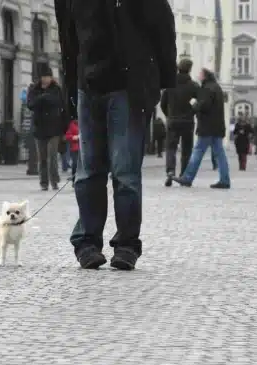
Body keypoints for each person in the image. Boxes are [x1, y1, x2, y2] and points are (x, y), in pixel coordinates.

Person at [55, 0, 177, 270]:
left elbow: (163, 26)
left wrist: (164, 81)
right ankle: (86, 243)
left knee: (125, 171)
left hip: (128, 86)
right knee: (88, 172)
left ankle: (126, 246)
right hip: (87, 86)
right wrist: (70, 91)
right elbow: (68, 40)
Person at [172, 69, 230, 189]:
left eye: (200, 74)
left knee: (197, 151)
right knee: (220, 154)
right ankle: (225, 180)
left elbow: (204, 106)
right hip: (218, 126)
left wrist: (193, 105)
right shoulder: (217, 87)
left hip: (207, 126)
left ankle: (187, 178)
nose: (198, 76)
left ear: (204, 76)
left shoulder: (207, 89)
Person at [26, 62, 67, 191]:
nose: (45, 79)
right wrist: (43, 98)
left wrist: (64, 128)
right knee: (42, 158)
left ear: (51, 77)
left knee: (52, 156)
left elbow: (59, 103)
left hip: (54, 128)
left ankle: (54, 180)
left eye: (47, 76)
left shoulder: (57, 89)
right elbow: (30, 104)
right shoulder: (34, 89)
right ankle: (43, 182)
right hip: (39, 128)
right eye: (43, 76)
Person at [160, 58, 199, 186]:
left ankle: (170, 171)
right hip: (188, 122)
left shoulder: (170, 84)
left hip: (173, 121)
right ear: (190, 69)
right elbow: (199, 103)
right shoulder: (193, 86)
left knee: (170, 148)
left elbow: (163, 103)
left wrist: (169, 115)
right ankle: (183, 175)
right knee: (187, 149)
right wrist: (192, 112)